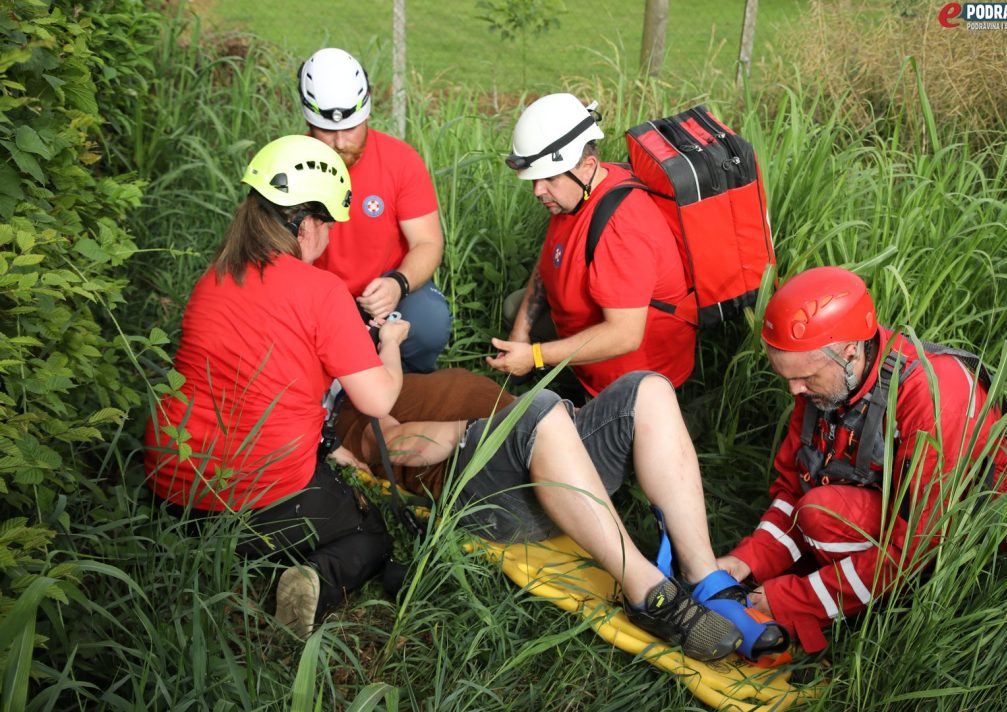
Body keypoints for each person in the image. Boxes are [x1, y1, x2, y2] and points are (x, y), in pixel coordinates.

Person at [331, 369, 788, 662]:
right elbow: (391, 447)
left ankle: (703, 575)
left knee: (647, 390)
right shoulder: (357, 408)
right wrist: (473, 430)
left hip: (545, 454)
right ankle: (648, 593)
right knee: (540, 407)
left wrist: (389, 351)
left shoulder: (398, 380)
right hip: (486, 493)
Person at [143, 134, 410, 637]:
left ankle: (216, 555)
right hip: (255, 490)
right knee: (369, 532)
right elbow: (377, 398)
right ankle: (315, 580)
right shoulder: (322, 290)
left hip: (171, 484)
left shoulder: (215, 275)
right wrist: (390, 343)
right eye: (327, 221)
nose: (328, 235)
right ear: (304, 223)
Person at [717, 266, 1007, 652]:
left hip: (950, 547)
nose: (794, 390)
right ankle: (821, 583)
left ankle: (879, 610)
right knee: (815, 512)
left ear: (849, 352)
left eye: (804, 378)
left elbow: (917, 546)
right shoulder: (826, 385)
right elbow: (794, 485)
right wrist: (745, 561)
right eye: (786, 377)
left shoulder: (932, 400)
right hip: (878, 515)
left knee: (820, 516)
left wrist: (791, 599)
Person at [487, 93, 697, 398]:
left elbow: (624, 335)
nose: (537, 191)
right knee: (514, 307)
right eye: (533, 180)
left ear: (588, 165)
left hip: (634, 376)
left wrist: (535, 356)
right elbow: (549, 261)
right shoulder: (577, 192)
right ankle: (571, 373)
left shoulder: (622, 228)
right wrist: (521, 335)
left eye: (548, 178)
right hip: (589, 327)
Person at [297, 47, 451, 373]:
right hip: (318, 294)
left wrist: (399, 283)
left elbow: (428, 242)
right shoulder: (289, 167)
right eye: (327, 131)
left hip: (385, 287)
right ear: (307, 120)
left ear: (366, 113)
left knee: (430, 322)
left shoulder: (401, 161)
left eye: (350, 128)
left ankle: (409, 381)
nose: (340, 143)